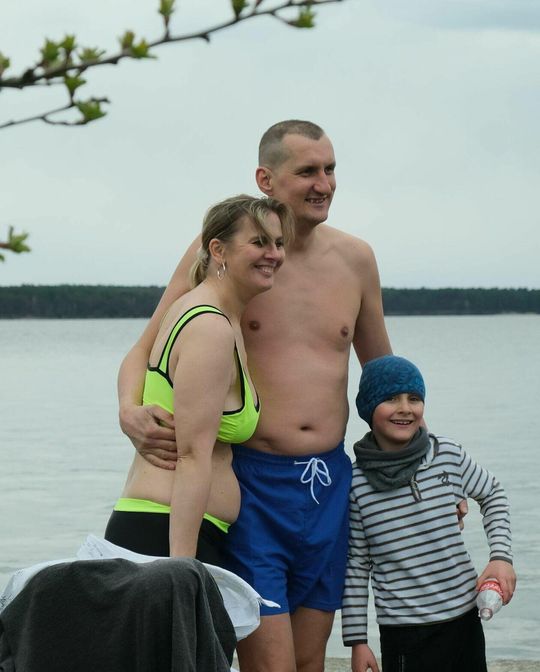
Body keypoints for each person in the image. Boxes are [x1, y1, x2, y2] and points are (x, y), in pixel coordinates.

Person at [117, 119, 394, 672]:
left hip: (328, 482)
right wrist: (128, 410)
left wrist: (423, 471)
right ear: (266, 179)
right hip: (253, 482)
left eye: (330, 169)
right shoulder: (229, 258)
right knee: (271, 664)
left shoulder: (356, 259)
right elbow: (145, 347)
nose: (324, 184)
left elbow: (385, 380)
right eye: (307, 171)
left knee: (311, 661)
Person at [104, 194, 294, 566]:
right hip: (165, 534)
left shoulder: (215, 315)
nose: (274, 254)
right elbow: (192, 457)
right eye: (259, 242)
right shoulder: (209, 327)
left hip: (174, 528)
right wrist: (183, 569)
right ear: (218, 250)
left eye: (278, 243)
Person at [342, 355, 516, 672]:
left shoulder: (446, 453)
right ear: (368, 406)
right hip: (403, 632)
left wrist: (501, 556)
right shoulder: (355, 483)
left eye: (414, 398)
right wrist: (357, 640)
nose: (405, 408)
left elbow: (493, 494)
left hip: (464, 619)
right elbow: (356, 564)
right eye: (391, 398)